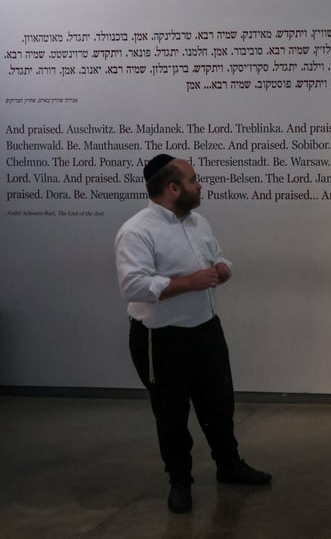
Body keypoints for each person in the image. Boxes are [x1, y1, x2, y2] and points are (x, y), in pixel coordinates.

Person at [115, 154, 271, 514]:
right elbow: (134, 286)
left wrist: (222, 268)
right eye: (193, 179)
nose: (199, 184)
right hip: (162, 337)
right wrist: (189, 282)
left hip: (206, 327)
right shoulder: (137, 231)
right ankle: (180, 481)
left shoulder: (198, 222)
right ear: (172, 188)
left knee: (219, 401)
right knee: (171, 412)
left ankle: (229, 465)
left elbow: (218, 257)